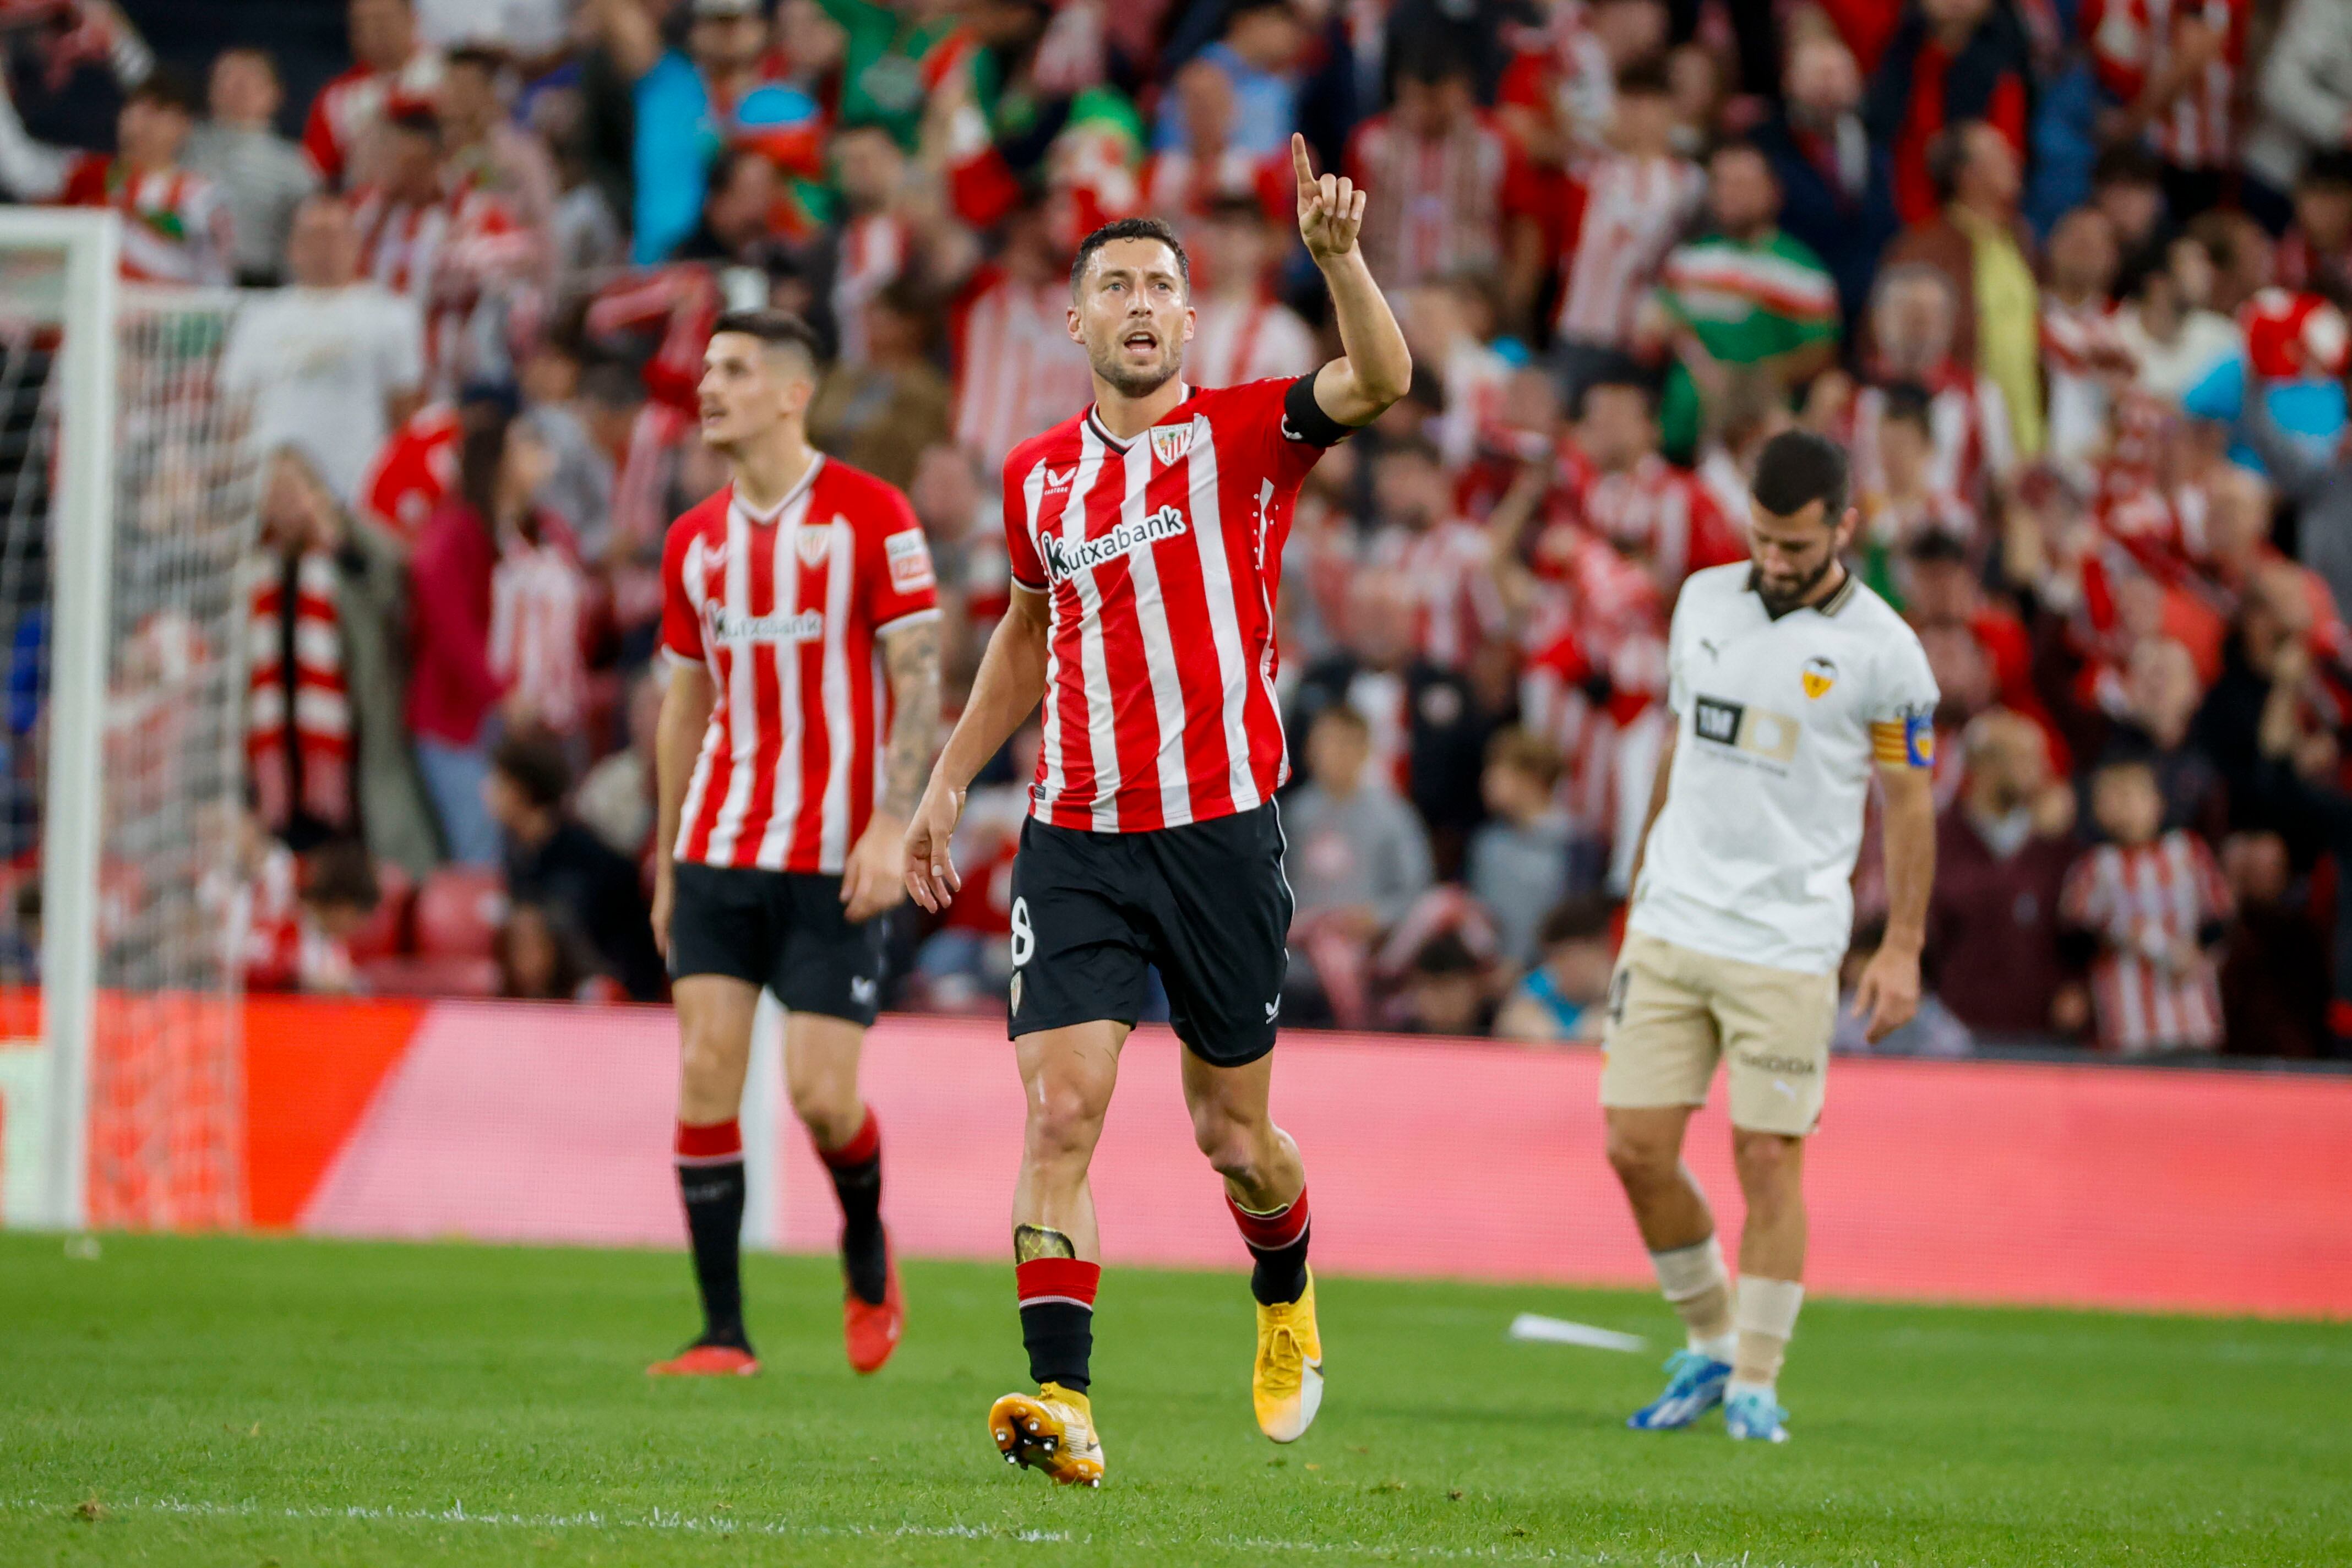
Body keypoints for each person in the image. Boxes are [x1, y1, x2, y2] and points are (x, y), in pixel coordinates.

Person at [902, 139, 1411, 1483]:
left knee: (1230, 1136)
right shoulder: (1036, 482)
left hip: (1218, 830)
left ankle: (1285, 1286)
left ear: (1186, 319)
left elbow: (1383, 378)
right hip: (1073, 834)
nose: (1137, 303)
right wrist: (946, 782)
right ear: (1072, 319)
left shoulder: (1244, 433)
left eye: (1159, 286)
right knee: (1060, 1110)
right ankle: (1060, 1400)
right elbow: (1021, 636)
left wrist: (1340, 258)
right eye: (1113, 283)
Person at [1602, 429, 1940, 1445]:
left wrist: (1901, 945)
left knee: (1766, 1152)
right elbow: (1678, 739)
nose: (1775, 559)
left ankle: (1756, 1376)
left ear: (1844, 525)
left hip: (1790, 938)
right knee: (1634, 1148)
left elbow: (1909, 801)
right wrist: (1637, 879)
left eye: (1795, 543)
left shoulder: (1886, 650)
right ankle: (1710, 1339)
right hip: (1672, 916)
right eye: (1761, 537)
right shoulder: (1702, 598)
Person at [647, 309, 943, 1380]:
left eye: (733, 369)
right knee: (704, 1072)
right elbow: (683, 707)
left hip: (836, 854)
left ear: (791, 392)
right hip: (722, 844)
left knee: (823, 1094)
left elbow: (919, 675)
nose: (707, 386)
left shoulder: (873, 516)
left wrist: (889, 821)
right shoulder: (693, 541)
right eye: (706, 369)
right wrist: (670, 852)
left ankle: (867, 1244)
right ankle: (723, 1333)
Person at [221, 194, 426, 510]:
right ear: (292, 248)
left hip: (358, 493)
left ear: (355, 244)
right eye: (313, 238)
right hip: (273, 496)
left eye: (333, 237)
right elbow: (236, 413)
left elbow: (404, 416)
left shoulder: (392, 316)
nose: (324, 249)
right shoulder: (259, 317)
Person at [2061, 750, 2231, 1054]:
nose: (2125, 807)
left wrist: (2199, 956)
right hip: (2128, 1027)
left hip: (2192, 1020)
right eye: (2113, 796)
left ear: (2157, 801)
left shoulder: (2188, 853)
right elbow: (2076, 936)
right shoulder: (2094, 868)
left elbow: (2219, 921)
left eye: (2133, 795)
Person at [485, 728, 664, 1001]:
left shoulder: (587, 860)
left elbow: (612, 950)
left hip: (612, 998)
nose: (487, 793)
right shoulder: (518, 855)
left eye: (498, 783)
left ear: (520, 790)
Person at [184, 47, 318, 285]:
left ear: (275, 95)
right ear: (211, 91)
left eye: (250, 78)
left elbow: (307, 238)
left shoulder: (294, 165)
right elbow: (149, 89)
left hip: (258, 285)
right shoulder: (182, 143)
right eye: (228, 77)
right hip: (186, 281)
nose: (239, 87)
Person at [1493, 894, 1617, 1043]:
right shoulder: (1544, 981)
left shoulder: (1626, 987)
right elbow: (1512, 1021)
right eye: (1552, 959)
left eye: (1566, 957)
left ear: (1599, 950)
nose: (1557, 968)